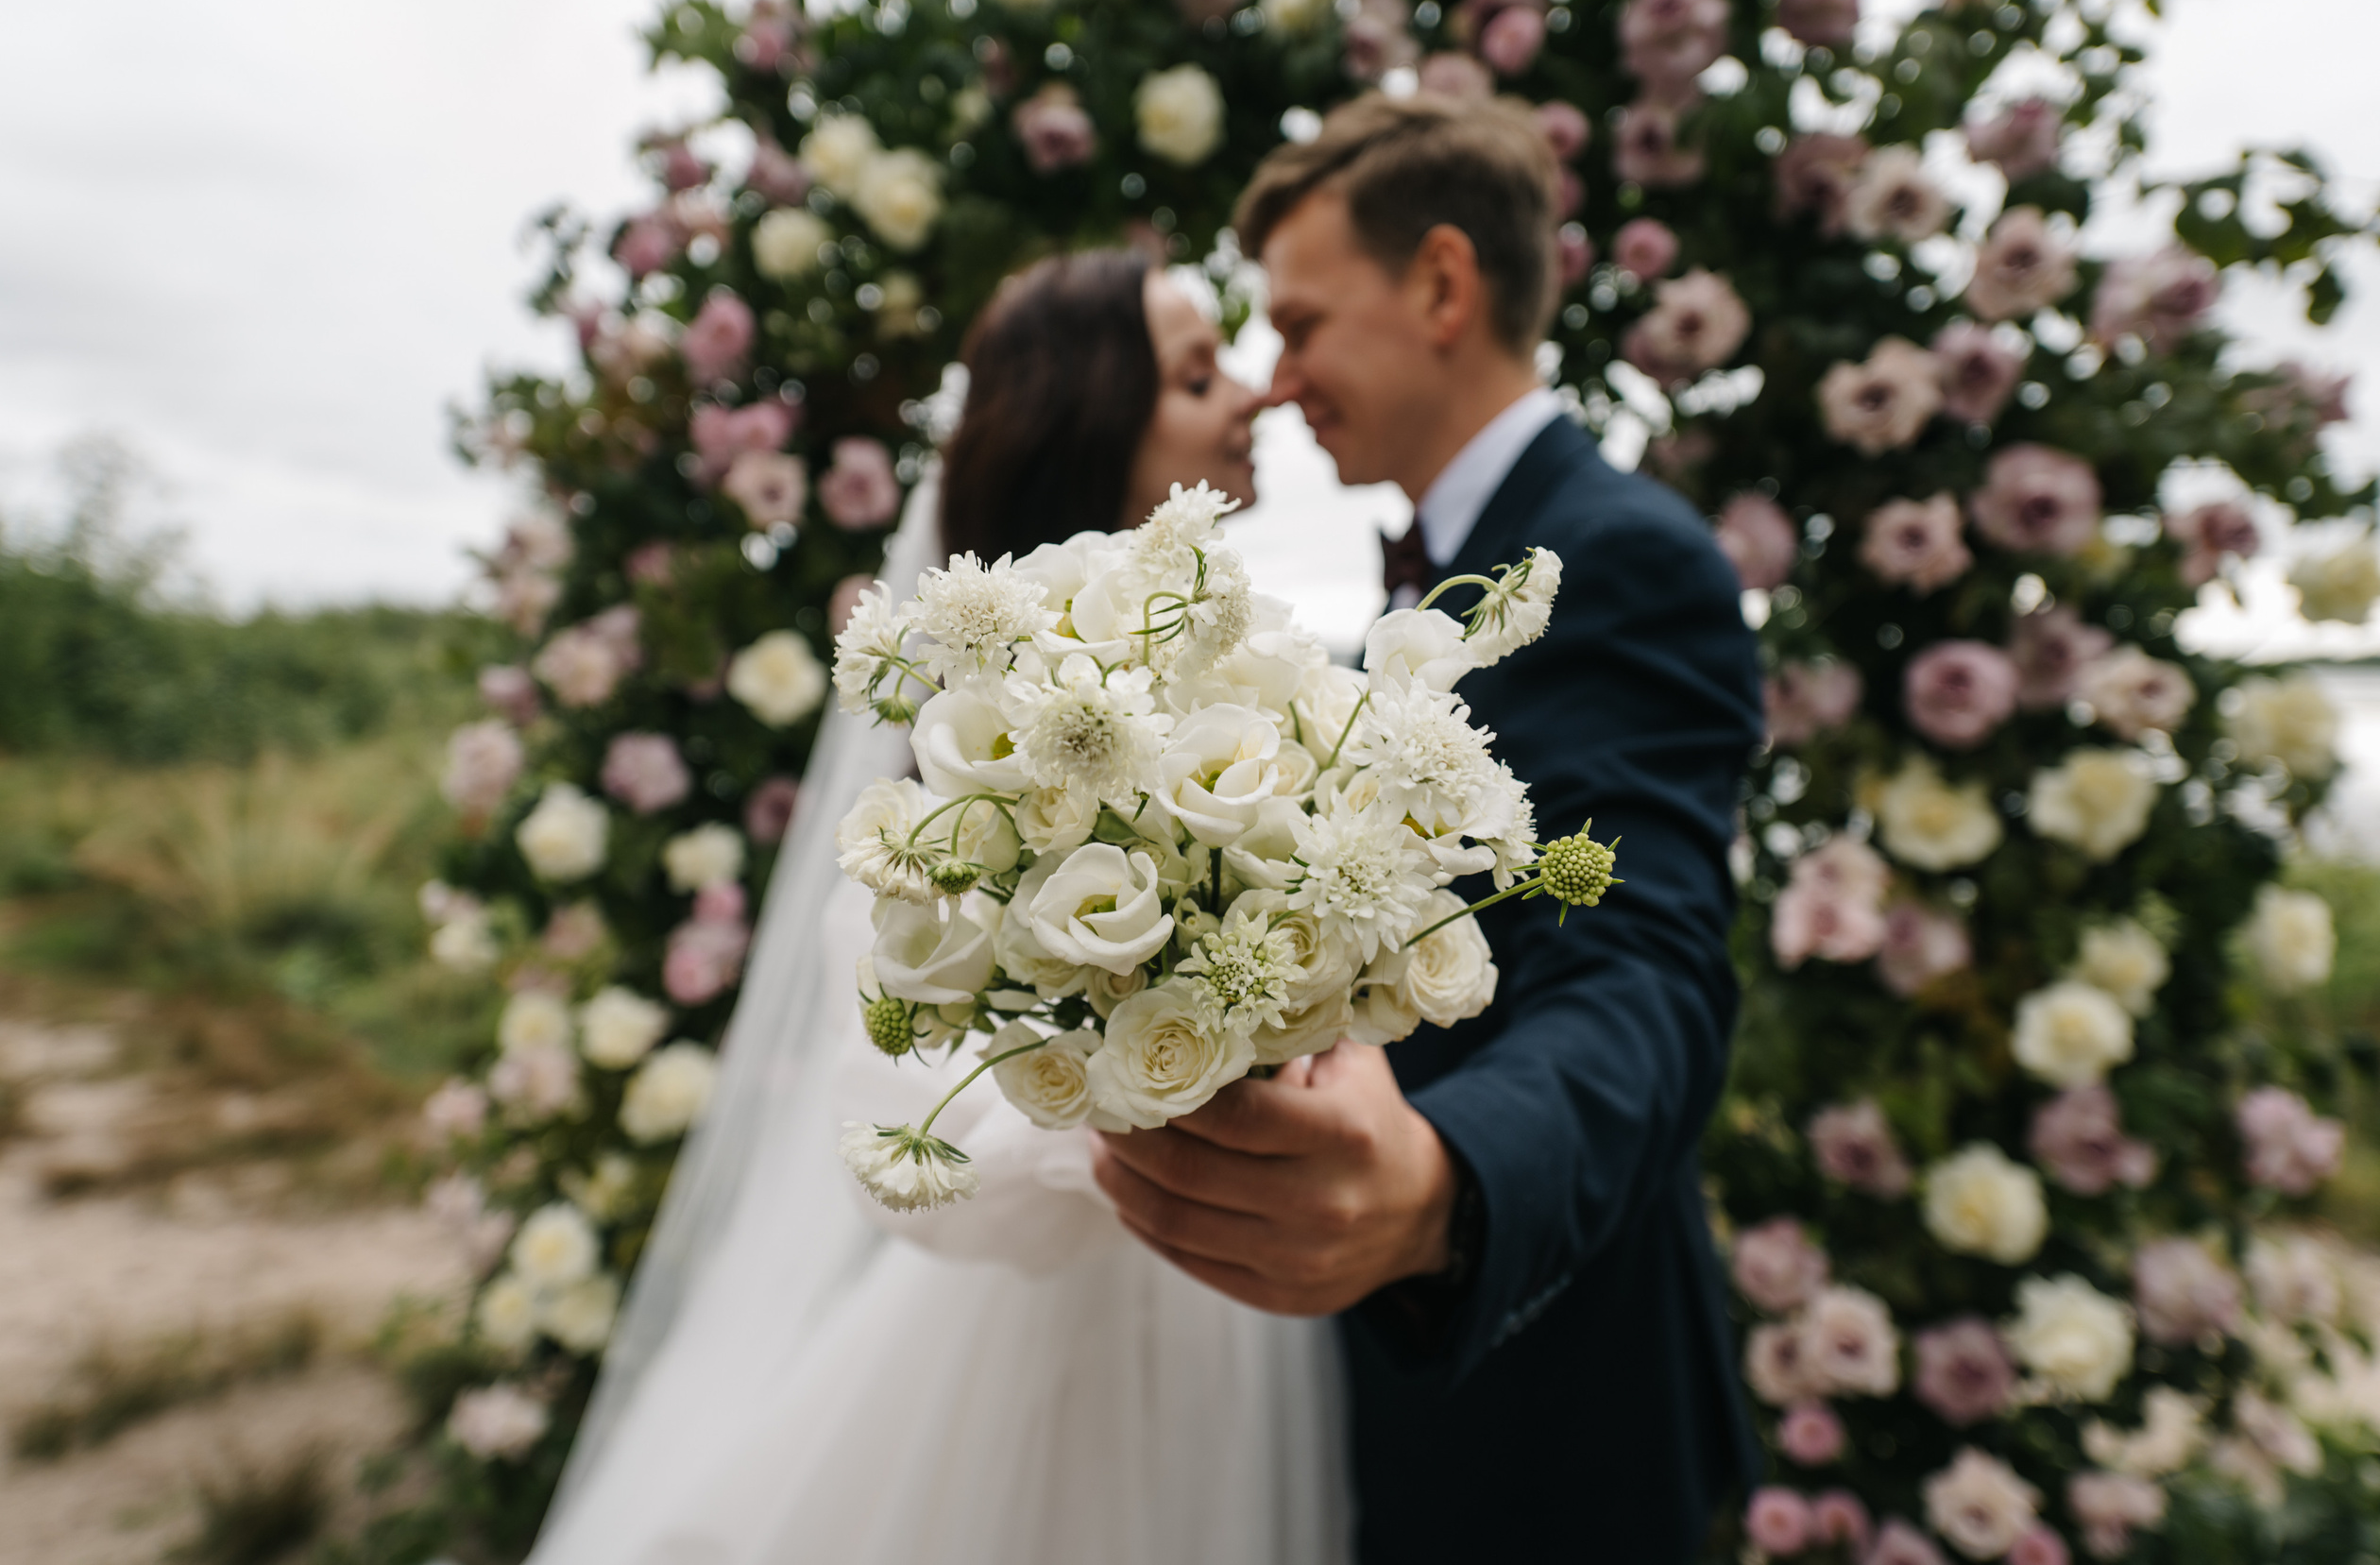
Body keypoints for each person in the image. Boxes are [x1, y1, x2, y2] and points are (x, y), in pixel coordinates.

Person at [525, 249, 1351, 1565]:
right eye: (1200, 377)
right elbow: (910, 1143)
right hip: (1048, 1368)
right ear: (1092, 424)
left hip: (1240, 1323)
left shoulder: (1263, 706)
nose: (1250, 396)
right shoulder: (965, 783)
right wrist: (1139, 1106)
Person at [1087, 93, 1766, 1562]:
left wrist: (1450, 1186)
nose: (1278, 382)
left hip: (1555, 1427)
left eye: (1302, 324)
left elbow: (1645, 969)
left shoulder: (1622, 557)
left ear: (1444, 285)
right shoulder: (1409, 608)